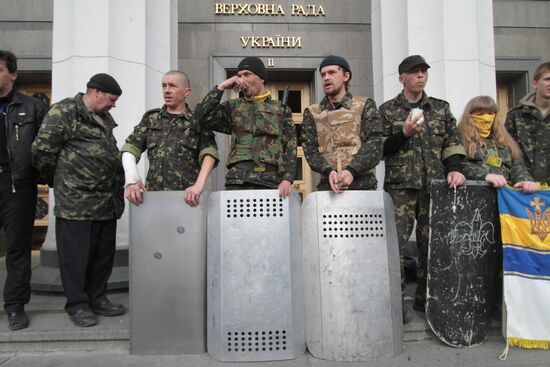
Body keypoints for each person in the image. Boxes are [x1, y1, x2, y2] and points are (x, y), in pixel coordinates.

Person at [32, 73, 126, 327]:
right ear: (95, 92)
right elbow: (42, 151)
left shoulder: (104, 119)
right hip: (76, 203)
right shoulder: (64, 112)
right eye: (111, 99)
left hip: (106, 202)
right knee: (76, 258)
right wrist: (61, 182)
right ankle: (78, 305)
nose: (113, 104)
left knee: (102, 256)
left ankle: (98, 298)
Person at [379, 55, 466, 321]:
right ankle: (397, 303)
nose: (420, 76)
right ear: (401, 77)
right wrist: (403, 133)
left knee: (433, 245)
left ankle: (426, 300)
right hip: (400, 188)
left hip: (434, 187)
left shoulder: (439, 108)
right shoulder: (387, 110)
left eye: (423, 72)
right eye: (414, 72)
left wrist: (454, 168)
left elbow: (453, 141)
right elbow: (379, 150)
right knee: (395, 246)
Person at [194, 57, 296, 198]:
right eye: (239, 75)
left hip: (270, 181)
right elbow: (201, 117)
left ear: (261, 78)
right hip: (238, 180)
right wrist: (221, 87)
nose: (242, 79)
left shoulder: (281, 109)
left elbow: (290, 147)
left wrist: (287, 179)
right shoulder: (233, 106)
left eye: (247, 74)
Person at [122, 71, 218, 207]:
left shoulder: (197, 120)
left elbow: (209, 153)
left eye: (172, 86)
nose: (167, 90)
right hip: (154, 198)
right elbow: (130, 148)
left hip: (186, 198)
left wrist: (198, 186)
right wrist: (131, 179)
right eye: (164, 86)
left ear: (186, 92)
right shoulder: (151, 118)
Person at [0, 50, 47, 330]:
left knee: (18, 249)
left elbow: (46, 146)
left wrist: (40, 177)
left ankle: (15, 307)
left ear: (13, 74)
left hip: (16, 184)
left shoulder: (31, 107)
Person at [301, 55, 383, 193]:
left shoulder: (364, 105)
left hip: (362, 186)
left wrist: (352, 170)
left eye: (332, 72)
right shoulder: (313, 112)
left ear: (346, 76)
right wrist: (328, 172)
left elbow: (374, 144)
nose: (326, 77)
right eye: (323, 74)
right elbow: (310, 150)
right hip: (328, 187)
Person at [458, 95, 538, 193]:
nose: (486, 118)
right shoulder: (459, 138)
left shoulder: (503, 139)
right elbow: (459, 165)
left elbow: (517, 165)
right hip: (475, 195)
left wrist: (524, 180)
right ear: (469, 115)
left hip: (504, 195)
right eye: (480, 114)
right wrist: (485, 175)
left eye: (490, 113)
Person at [505, 61, 550, 184]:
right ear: (534, 83)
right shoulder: (516, 115)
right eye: (547, 79)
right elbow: (511, 153)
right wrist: (523, 179)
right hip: (525, 188)